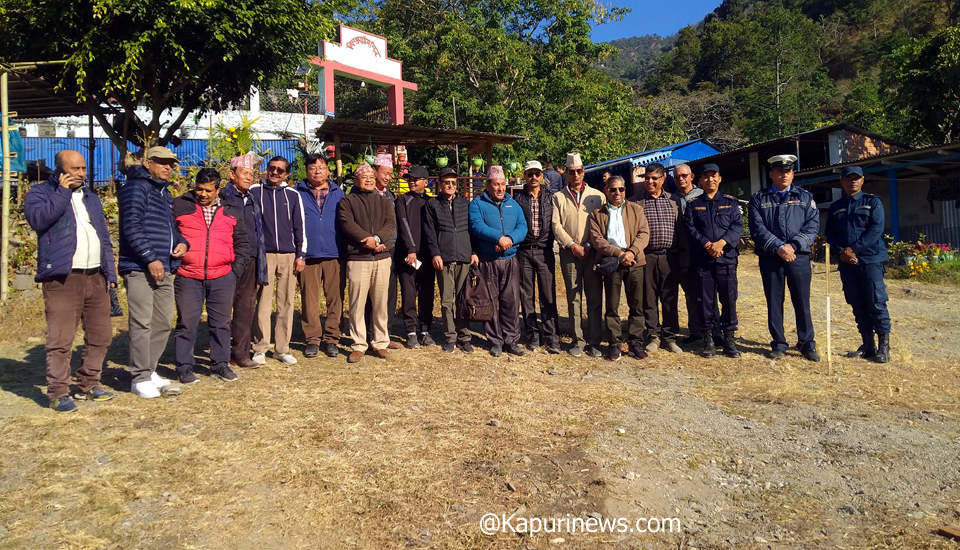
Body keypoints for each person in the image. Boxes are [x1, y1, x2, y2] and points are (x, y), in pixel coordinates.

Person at [24, 149, 117, 412]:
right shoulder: (40, 193)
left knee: (101, 336)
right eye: (75, 169)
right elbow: (39, 220)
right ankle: (58, 392)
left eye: (83, 169)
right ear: (59, 170)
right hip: (63, 278)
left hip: (95, 276)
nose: (81, 174)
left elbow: (103, 237)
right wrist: (62, 193)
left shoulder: (90, 197)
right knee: (61, 339)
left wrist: (109, 273)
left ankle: (89, 385)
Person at [118, 146, 188, 398]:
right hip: (140, 267)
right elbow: (131, 226)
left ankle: (150, 370)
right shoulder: (136, 187)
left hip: (164, 267)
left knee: (161, 322)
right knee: (141, 322)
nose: (168, 167)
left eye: (171, 163)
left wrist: (182, 242)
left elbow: (170, 228)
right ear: (148, 163)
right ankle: (138, 377)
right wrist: (149, 258)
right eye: (161, 162)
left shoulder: (163, 192)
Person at [171, 168, 250, 383]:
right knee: (187, 322)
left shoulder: (231, 210)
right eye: (199, 189)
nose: (202, 194)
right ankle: (185, 367)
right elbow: (169, 234)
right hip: (188, 275)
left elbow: (243, 243)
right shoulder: (179, 206)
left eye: (208, 190)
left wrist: (234, 272)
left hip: (222, 276)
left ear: (218, 189)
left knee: (221, 323)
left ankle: (220, 365)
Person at [748, 154, 821, 361]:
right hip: (771, 257)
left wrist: (793, 246)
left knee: (802, 301)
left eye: (787, 171)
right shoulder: (759, 199)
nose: (784, 175)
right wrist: (779, 246)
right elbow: (757, 229)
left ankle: (806, 343)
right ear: (771, 174)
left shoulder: (805, 197)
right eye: (779, 172)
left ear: (793, 173)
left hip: (798, 257)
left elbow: (812, 226)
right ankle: (779, 343)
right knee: (774, 302)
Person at [826, 166, 892, 363]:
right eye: (848, 179)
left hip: (870, 260)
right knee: (856, 303)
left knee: (876, 302)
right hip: (847, 263)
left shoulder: (872, 202)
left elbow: (875, 230)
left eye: (856, 178)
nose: (852, 182)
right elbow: (830, 233)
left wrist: (853, 249)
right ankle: (867, 345)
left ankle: (884, 347)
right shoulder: (835, 206)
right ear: (841, 181)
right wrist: (842, 252)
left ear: (862, 180)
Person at [339, 162, 397, 363]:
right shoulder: (347, 201)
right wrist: (370, 241)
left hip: (382, 258)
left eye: (372, 178)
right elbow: (348, 225)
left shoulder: (384, 201)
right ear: (356, 181)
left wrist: (379, 240)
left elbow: (390, 223)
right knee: (357, 304)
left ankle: (380, 342)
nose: (369, 181)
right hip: (358, 258)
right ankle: (359, 344)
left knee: (381, 303)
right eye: (365, 178)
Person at [682, 164, 743, 358]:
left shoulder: (730, 203)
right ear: (700, 180)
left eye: (713, 176)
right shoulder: (693, 204)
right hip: (703, 260)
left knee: (729, 299)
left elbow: (736, 226)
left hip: (726, 259)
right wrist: (708, 245)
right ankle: (708, 339)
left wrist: (721, 244)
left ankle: (729, 340)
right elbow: (690, 229)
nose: (710, 180)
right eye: (706, 177)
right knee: (704, 300)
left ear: (720, 178)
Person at [250, 156, 305, 366]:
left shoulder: (292, 195)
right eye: (272, 169)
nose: (275, 173)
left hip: (288, 256)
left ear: (286, 174)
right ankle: (261, 347)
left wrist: (301, 255)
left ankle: (282, 348)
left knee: (286, 302)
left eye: (280, 170)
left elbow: (300, 226)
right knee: (263, 301)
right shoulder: (255, 191)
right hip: (265, 255)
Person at [588, 176, 650, 362]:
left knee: (636, 305)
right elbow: (597, 239)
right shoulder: (597, 213)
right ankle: (614, 343)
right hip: (612, 263)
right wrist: (618, 254)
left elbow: (644, 233)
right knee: (612, 306)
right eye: (613, 189)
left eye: (621, 189)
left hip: (635, 261)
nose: (617, 193)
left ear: (625, 190)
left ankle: (635, 342)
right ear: (606, 190)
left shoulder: (636, 210)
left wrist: (631, 252)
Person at [469, 165, 528, 357]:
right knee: (490, 301)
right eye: (496, 184)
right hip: (488, 260)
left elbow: (522, 226)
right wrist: (497, 238)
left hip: (510, 259)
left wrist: (509, 240)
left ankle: (511, 339)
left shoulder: (513, 204)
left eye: (503, 184)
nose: (501, 188)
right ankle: (495, 340)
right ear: (488, 185)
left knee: (511, 301)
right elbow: (477, 225)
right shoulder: (477, 204)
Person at [552, 152, 606, 357]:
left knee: (594, 297)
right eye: (572, 171)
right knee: (574, 297)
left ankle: (594, 340)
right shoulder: (558, 197)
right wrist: (572, 245)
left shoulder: (596, 195)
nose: (576, 174)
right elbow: (556, 225)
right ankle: (578, 340)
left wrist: (591, 245)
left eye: (579, 171)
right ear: (566, 173)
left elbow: (603, 224)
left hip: (592, 252)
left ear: (584, 172)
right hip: (569, 253)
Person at [629, 163, 686, 354]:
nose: (650, 182)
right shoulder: (635, 203)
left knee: (670, 298)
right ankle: (653, 335)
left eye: (654, 178)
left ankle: (670, 337)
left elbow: (681, 231)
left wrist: (684, 256)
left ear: (663, 179)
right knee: (649, 298)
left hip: (670, 257)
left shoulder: (674, 201)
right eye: (647, 178)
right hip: (646, 257)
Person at [422, 167, 478, 353]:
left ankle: (464, 336)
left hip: (463, 256)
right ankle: (450, 337)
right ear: (440, 184)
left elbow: (472, 229)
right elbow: (429, 233)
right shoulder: (432, 205)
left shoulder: (465, 204)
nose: (450, 186)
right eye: (447, 183)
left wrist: (474, 251)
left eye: (453, 183)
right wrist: (435, 253)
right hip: (444, 258)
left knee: (463, 299)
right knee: (446, 301)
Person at [295, 154, 345, 359]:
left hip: (335, 253)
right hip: (308, 255)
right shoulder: (296, 193)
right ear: (307, 170)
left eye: (321, 167)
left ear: (328, 170)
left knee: (336, 299)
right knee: (309, 299)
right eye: (313, 167)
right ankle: (312, 339)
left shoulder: (339, 193)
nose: (317, 171)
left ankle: (332, 338)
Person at [221, 153, 268, 369]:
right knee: (222, 307)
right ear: (232, 174)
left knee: (245, 307)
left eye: (252, 174)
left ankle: (240, 353)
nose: (249, 177)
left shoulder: (252, 198)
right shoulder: (222, 197)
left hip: (250, 258)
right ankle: (220, 354)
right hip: (227, 259)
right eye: (244, 173)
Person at [513, 160, 560, 353]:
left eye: (537, 174)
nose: (533, 177)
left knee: (548, 296)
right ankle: (532, 335)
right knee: (527, 296)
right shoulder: (517, 199)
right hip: (524, 251)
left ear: (542, 176)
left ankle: (551, 337)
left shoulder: (551, 198)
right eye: (529, 174)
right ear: (525, 176)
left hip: (544, 250)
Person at [394, 165, 436, 348]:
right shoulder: (402, 200)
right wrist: (411, 249)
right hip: (407, 256)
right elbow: (403, 224)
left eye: (416, 179)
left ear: (425, 182)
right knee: (409, 294)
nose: (411, 181)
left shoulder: (431, 202)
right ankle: (411, 331)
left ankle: (425, 330)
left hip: (428, 257)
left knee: (427, 294)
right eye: (409, 179)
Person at [673, 163, 712, 346]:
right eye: (677, 176)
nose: (681, 179)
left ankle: (712, 331)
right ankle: (695, 330)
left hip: (701, 250)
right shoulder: (671, 199)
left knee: (706, 294)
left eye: (684, 175)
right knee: (690, 293)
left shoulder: (702, 195)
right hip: (681, 252)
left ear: (691, 176)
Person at [368, 153, 401, 347]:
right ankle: (368, 334)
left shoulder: (390, 196)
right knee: (370, 295)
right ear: (374, 171)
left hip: (391, 248)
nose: (387, 177)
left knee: (388, 293)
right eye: (384, 173)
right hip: (371, 250)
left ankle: (384, 334)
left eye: (390, 173)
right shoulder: (365, 193)